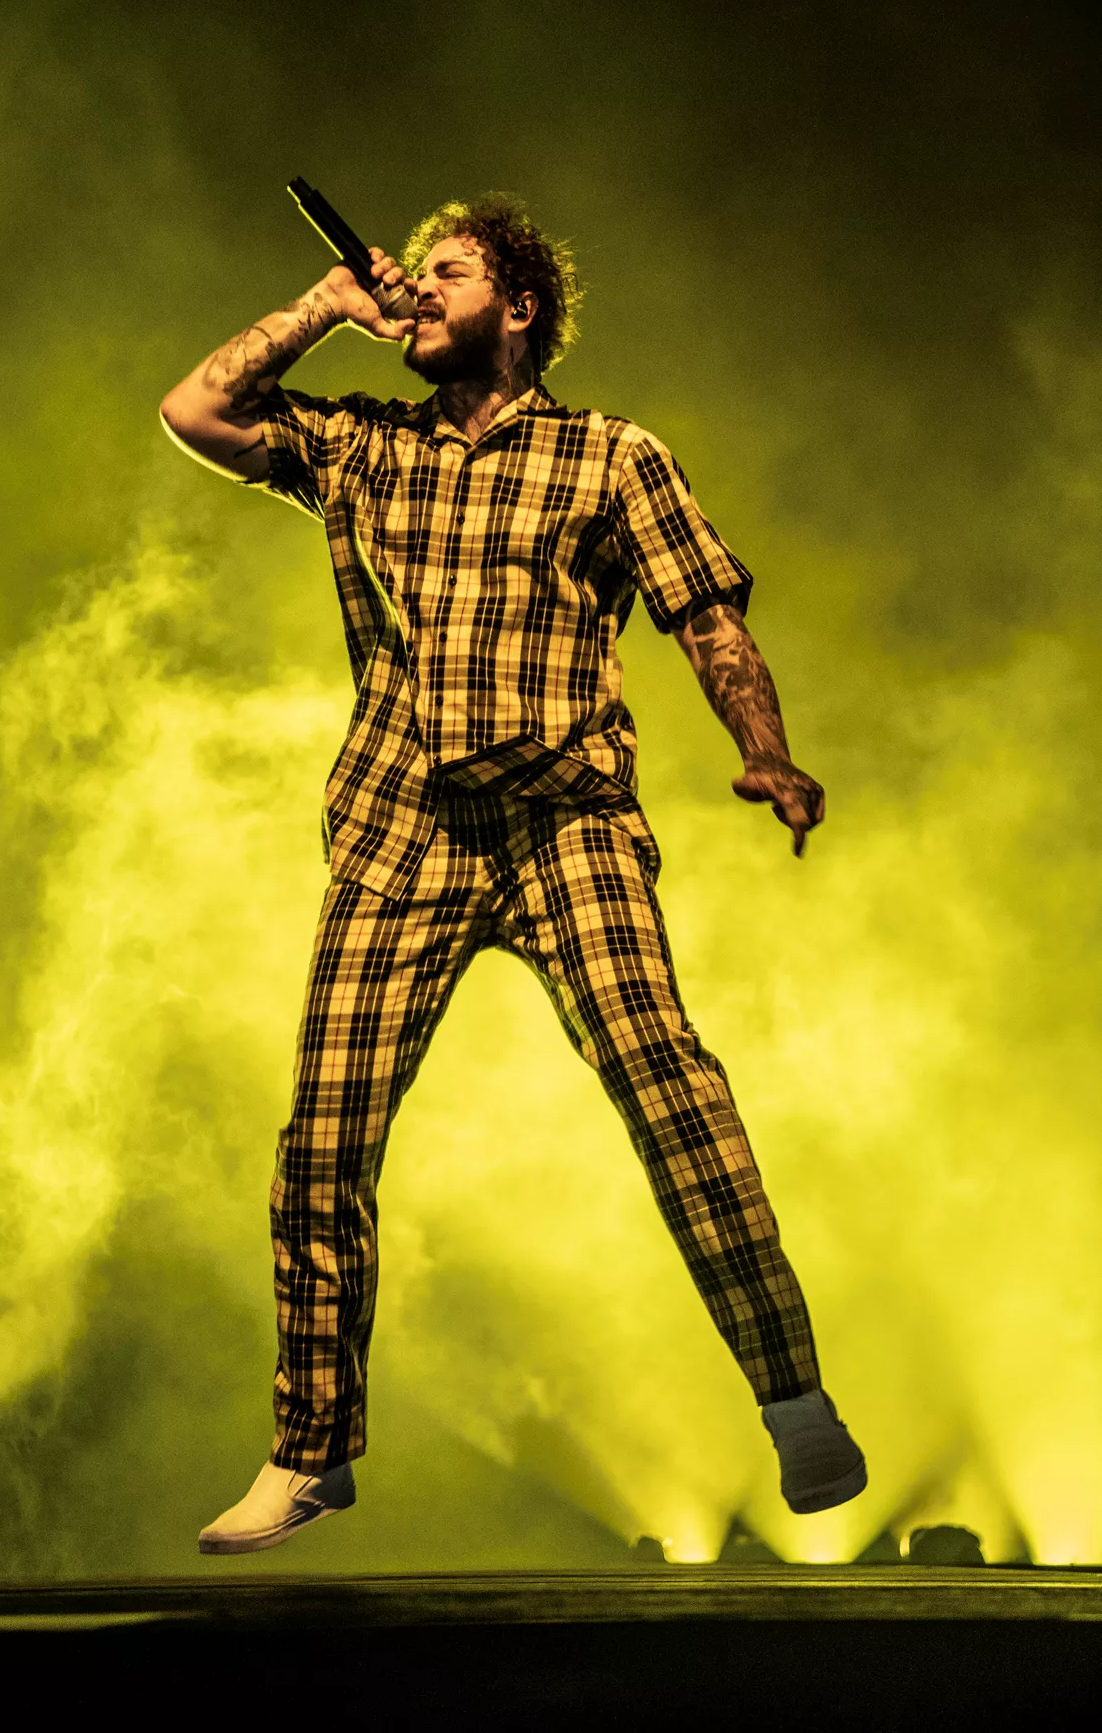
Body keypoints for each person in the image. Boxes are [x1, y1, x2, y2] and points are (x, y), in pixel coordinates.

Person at [160, 195, 866, 1555]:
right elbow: (197, 411)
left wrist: (767, 751)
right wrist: (325, 308)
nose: (420, 290)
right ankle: (312, 1450)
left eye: (451, 272)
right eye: (414, 274)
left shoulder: (610, 457)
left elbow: (707, 617)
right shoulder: (366, 444)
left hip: (566, 823)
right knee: (323, 1145)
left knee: (672, 1092)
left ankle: (794, 1401)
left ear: (520, 308)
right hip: (400, 827)